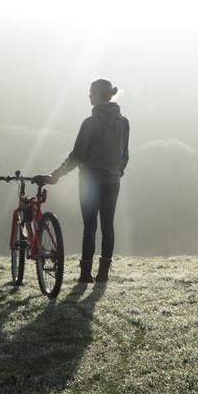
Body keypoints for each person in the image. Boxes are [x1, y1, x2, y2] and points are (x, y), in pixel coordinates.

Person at [45, 78, 130, 283]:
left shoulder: (91, 123)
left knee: (89, 227)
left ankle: (85, 274)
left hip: (90, 181)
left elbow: (78, 155)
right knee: (108, 227)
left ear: (99, 94)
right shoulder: (123, 121)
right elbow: (124, 154)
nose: (88, 96)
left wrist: (56, 174)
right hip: (112, 181)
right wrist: (118, 172)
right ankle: (103, 274)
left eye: (90, 92)